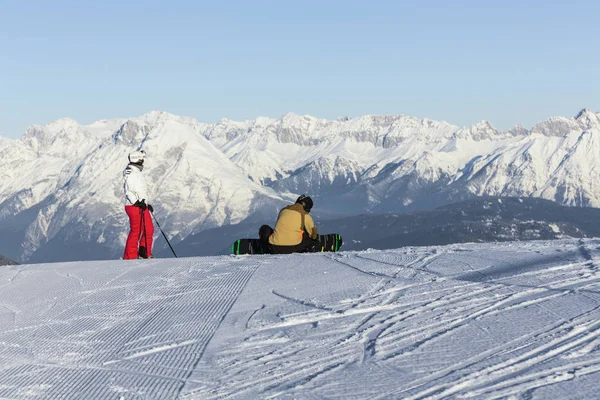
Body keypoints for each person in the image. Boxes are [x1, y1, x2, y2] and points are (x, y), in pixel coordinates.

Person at [123, 150, 155, 259]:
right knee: (136, 230)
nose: (143, 162)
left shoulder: (136, 172)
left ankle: (144, 252)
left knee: (148, 228)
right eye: (142, 160)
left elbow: (141, 191)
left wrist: (147, 203)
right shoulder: (131, 172)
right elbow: (128, 191)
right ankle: (130, 256)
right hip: (134, 205)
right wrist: (136, 202)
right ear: (137, 160)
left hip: (141, 205)